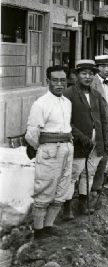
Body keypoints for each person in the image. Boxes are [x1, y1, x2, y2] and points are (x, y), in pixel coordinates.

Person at [25, 66, 73, 240]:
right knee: (45, 188)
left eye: (63, 80)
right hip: (50, 150)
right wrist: (43, 149)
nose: (59, 84)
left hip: (67, 148)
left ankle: (49, 225)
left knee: (62, 189)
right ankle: (38, 230)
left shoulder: (67, 103)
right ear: (48, 81)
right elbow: (31, 134)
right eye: (55, 80)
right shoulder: (40, 104)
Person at [63, 60, 108, 218]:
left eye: (91, 74)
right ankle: (66, 208)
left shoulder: (96, 95)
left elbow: (103, 120)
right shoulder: (69, 94)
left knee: (89, 173)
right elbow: (66, 121)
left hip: (96, 142)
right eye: (84, 73)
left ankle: (83, 204)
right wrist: (81, 137)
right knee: (73, 173)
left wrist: (106, 141)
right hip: (78, 142)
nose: (88, 77)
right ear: (77, 75)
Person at [90, 55, 108, 204]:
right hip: (98, 124)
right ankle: (89, 190)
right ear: (98, 68)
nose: (107, 69)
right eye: (103, 66)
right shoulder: (93, 83)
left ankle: (97, 186)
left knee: (106, 154)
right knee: (95, 156)